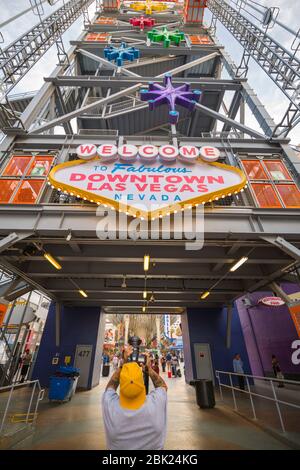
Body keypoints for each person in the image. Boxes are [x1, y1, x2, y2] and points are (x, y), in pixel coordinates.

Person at [102, 345, 168, 450]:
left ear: (122, 384)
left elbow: (111, 386)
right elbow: (162, 386)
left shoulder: (110, 406)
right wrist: (149, 369)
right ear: (142, 383)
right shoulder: (156, 403)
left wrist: (123, 364)